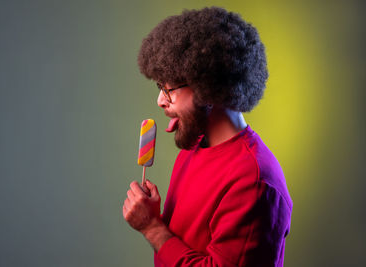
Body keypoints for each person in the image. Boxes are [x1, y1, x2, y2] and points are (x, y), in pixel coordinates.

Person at [123, 7, 292, 267]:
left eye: (169, 89)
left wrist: (152, 228)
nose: (159, 100)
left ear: (208, 87)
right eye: (160, 87)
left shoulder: (254, 182)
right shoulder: (193, 147)